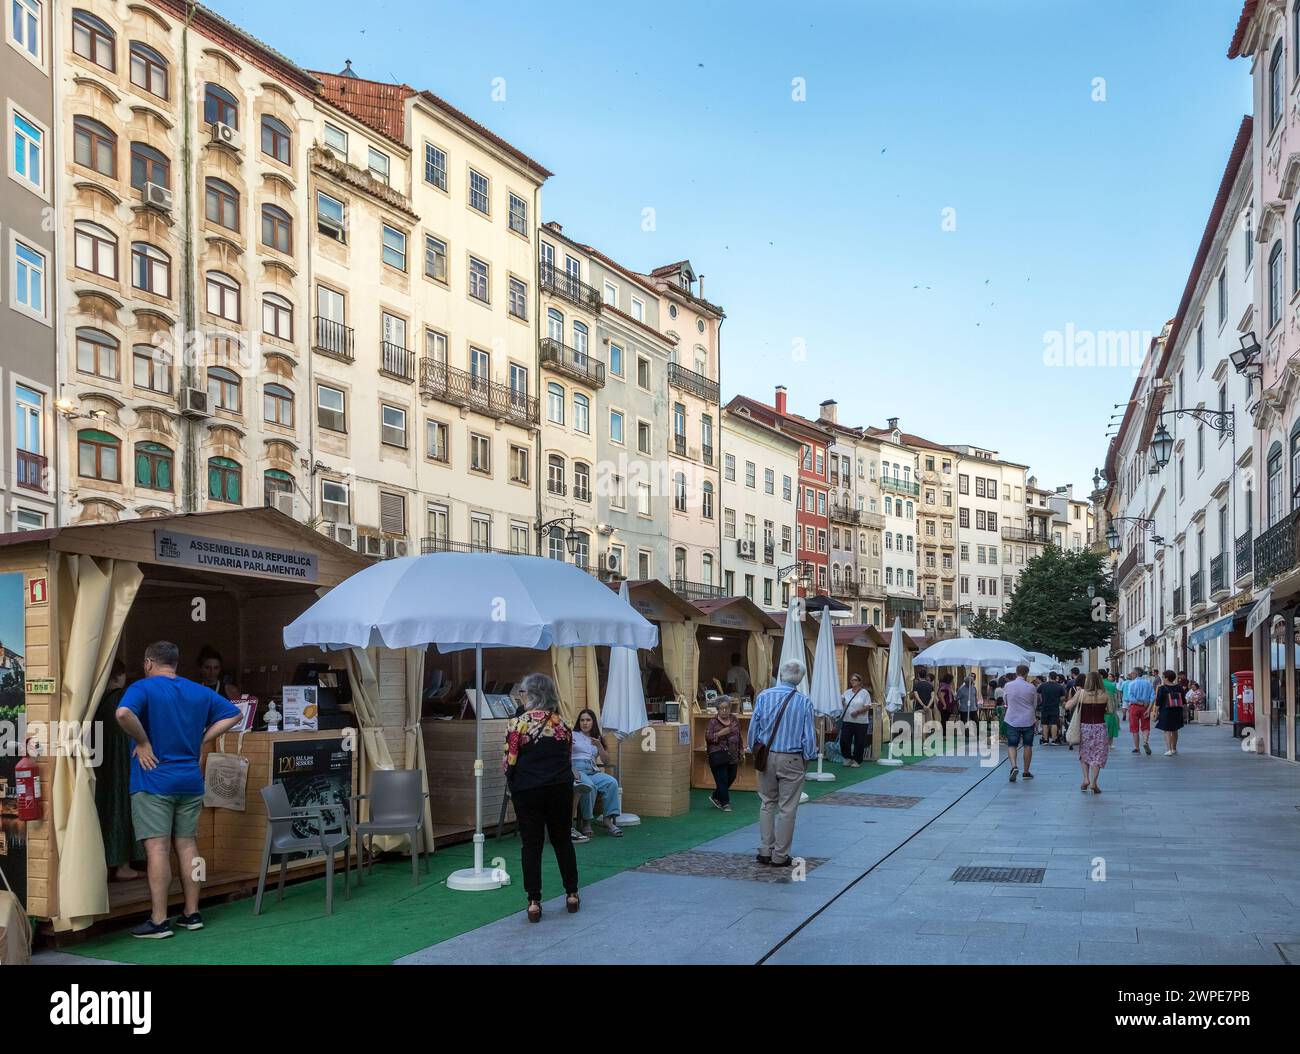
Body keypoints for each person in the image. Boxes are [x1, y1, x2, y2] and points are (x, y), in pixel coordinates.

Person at [115, 642, 242, 938]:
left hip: (153, 779)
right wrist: (201, 740)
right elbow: (234, 715)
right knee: (188, 845)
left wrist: (143, 742)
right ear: (175, 662)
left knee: (157, 848)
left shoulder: (143, 688)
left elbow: (123, 714)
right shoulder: (197, 690)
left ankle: (159, 920)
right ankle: (192, 912)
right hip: (190, 780)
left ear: (148, 663)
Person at [502, 672, 580, 922]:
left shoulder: (518, 723)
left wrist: (514, 783)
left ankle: (534, 901)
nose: (521, 697)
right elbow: (567, 757)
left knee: (531, 844)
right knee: (562, 840)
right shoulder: (563, 723)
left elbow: (509, 760)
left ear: (532, 694)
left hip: (528, 789)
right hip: (559, 786)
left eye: (523, 692)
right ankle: (571, 893)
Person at [747, 659, 817, 867]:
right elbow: (809, 736)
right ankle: (780, 855)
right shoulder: (804, 701)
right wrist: (808, 757)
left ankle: (765, 850)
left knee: (767, 802)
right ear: (800, 678)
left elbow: (753, 729)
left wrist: (754, 750)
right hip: (792, 757)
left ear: (781, 674)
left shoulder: (764, 696)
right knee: (787, 808)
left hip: (767, 756)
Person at [94, 659, 141, 881]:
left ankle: (103, 863)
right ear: (118, 676)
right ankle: (123, 865)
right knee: (121, 808)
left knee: (104, 809)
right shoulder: (121, 697)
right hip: (121, 760)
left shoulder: (94, 699)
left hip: (98, 761)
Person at [571, 708, 623, 838]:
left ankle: (607, 819)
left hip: (592, 770)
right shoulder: (573, 735)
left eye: (588, 720)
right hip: (577, 770)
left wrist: (599, 746)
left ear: (593, 722)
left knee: (611, 782)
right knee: (589, 786)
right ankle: (586, 822)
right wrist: (571, 768)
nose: (585, 723)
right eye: (582, 720)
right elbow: (564, 754)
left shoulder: (597, 738)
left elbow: (606, 761)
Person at [1066, 671, 1114, 794]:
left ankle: (1086, 779)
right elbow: (1110, 710)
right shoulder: (1105, 694)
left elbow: (1068, 706)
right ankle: (1094, 782)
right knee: (1098, 755)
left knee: (1084, 753)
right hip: (1100, 727)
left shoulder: (1081, 693)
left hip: (1084, 727)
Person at [705, 696, 744, 810]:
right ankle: (725, 803)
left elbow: (739, 736)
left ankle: (716, 796)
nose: (724, 711)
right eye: (721, 708)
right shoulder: (713, 722)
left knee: (731, 777)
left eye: (726, 708)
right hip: (718, 755)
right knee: (722, 779)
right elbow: (708, 737)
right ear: (717, 709)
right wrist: (720, 733)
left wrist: (741, 750)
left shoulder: (734, 719)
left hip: (733, 755)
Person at [1001, 664, 1038, 782]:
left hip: (1012, 719)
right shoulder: (1031, 687)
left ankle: (1013, 766)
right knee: (1028, 745)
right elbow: (1035, 704)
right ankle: (1026, 771)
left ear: (1016, 672)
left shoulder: (1008, 685)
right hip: (1028, 719)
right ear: (1027, 673)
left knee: (1012, 745)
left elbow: (1005, 701)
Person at [838, 673, 872, 768]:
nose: (852, 681)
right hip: (847, 720)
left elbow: (867, 706)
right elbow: (841, 700)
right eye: (851, 680)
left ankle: (857, 760)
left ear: (860, 682)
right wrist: (841, 702)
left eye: (855, 680)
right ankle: (847, 758)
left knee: (859, 741)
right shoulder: (847, 692)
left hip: (861, 721)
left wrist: (857, 712)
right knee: (844, 740)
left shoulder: (864, 693)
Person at [1124, 665, 1155, 755]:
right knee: (1145, 726)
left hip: (1135, 707)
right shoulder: (1148, 683)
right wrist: (1149, 709)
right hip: (1146, 707)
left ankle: (1137, 747)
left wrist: (1139, 702)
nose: (1131, 674)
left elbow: (1131, 697)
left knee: (1134, 728)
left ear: (1136, 674)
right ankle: (1145, 741)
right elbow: (1153, 697)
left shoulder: (1132, 684)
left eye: (1132, 673)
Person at [1155, 669, 1187, 756]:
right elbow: (1184, 701)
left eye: (1163, 677)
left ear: (1166, 678)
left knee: (1167, 730)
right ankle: (1174, 748)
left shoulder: (1162, 688)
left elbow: (1158, 702)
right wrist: (1185, 712)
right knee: (1175, 730)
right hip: (1177, 711)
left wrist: (1156, 713)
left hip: (1166, 711)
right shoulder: (1179, 687)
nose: (1162, 678)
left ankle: (1168, 749)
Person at [1037, 672, 1066, 745]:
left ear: (1049, 677)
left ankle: (1045, 740)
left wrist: (1042, 700)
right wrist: (1058, 700)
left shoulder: (1043, 685)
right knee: (1054, 723)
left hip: (1044, 707)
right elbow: (1063, 697)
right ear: (1056, 677)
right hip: (1055, 707)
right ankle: (1054, 740)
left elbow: (1038, 694)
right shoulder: (1059, 686)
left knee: (1044, 723)